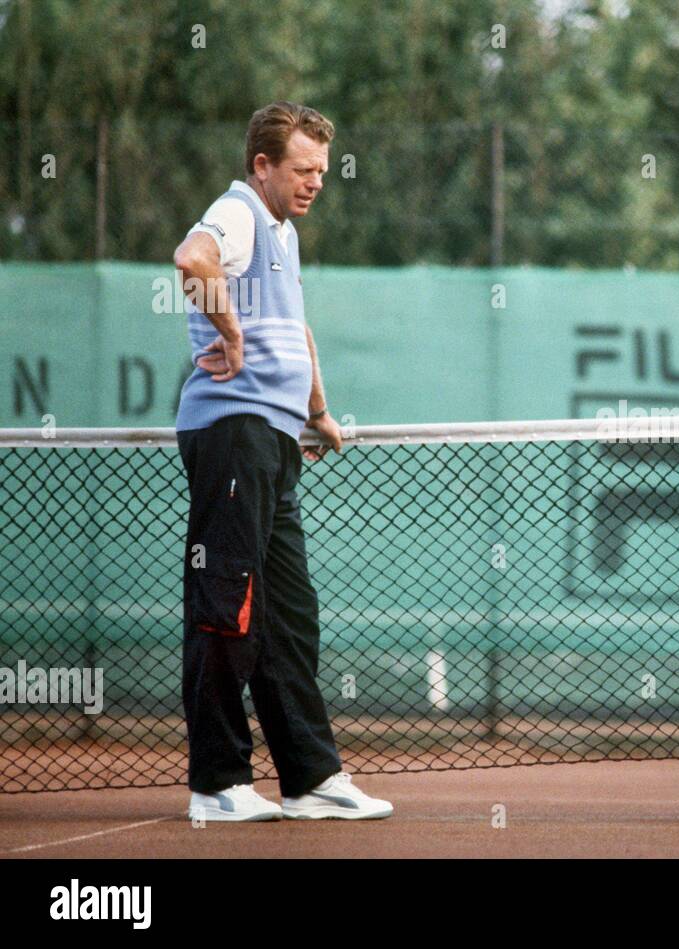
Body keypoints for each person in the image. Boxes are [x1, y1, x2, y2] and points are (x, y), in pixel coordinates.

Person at [172, 102, 390, 821]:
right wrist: (229, 335)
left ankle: (310, 776)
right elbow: (191, 260)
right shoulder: (236, 214)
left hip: (273, 438)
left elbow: (293, 326)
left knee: (289, 614)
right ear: (263, 165)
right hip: (232, 430)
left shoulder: (282, 235)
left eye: (323, 171)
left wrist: (318, 410)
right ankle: (217, 783)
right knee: (225, 608)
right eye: (303, 169)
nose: (316, 182)